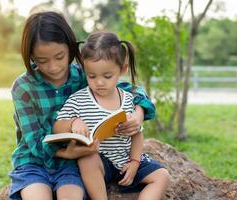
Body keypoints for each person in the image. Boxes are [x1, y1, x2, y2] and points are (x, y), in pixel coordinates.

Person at [9, 11, 156, 200]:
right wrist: (65, 153)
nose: (53, 67)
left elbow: (128, 89)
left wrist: (139, 112)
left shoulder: (85, 75)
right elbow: (35, 142)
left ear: (70, 48)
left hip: (71, 165)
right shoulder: (23, 87)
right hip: (33, 163)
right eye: (42, 60)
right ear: (30, 56)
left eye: (60, 56)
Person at [54, 31, 170, 200]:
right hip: (100, 162)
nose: (99, 82)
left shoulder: (129, 99)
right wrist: (74, 122)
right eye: (91, 76)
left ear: (122, 69)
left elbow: (137, 134)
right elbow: (57, 126)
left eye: (107, 76)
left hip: (125, 160)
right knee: (87, 158)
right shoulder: (78, 100)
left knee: (162, 176)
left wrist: (134, 162)